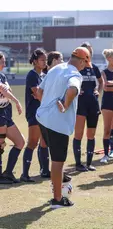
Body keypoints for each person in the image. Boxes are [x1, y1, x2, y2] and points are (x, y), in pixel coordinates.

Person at [35, 47, 90, 207]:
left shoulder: (55, 68)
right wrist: (65, 104)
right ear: (81, 61)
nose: (84, 67)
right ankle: (57, 199)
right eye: (84, 64)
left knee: (56, 161)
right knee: (58, 162)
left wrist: (48, 104)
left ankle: (60, 183)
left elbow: (39, 92)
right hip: (57, 124)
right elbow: (72, 89)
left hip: (42, 118)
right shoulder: (75, 74)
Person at [73, 42, 103, 172]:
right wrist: (76, 91)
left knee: (91, 134)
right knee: (78, 134)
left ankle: (89, 163)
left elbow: (101, 82)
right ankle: (78, 163)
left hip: (93, 104)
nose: (88, 54)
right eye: (86, 51)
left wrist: (98, 90)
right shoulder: (76, 68)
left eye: (90, 51)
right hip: (80, 105)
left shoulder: (94, 67)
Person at [21, 49, 49, 182]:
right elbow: (38, 94)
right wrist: (42, 95)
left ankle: (45, 171)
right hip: (34, 113)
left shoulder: (43, 75)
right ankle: (24, 174)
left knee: (45, 142)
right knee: (32, 142)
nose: (45, 62)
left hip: (44, 113)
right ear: (35, 61)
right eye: (42, 60)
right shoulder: (32, 75)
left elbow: (42, 95)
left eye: (45, 60)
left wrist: (42, 96)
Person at [0, 52, 24, 184]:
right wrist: (17, 101)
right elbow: (3, 90)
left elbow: (7, 90)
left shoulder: (2, 76)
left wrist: (10, 96)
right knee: (0, 145)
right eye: (2, 61)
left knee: (20, 142)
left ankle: (8, 173)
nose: (4, 64)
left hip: (5, 114)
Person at [99, 49, 113, 164]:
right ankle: (106, 154)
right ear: (108, 59)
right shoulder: (103, 72)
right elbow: (105, 87)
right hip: (107, 103)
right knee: (107, 129)